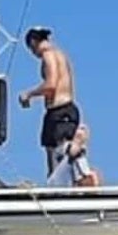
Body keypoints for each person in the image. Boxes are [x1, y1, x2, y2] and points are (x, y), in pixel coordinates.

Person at [17, 26, 80, 180]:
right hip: (67, 110)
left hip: (59, 112)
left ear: (33, 43)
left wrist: (29, 94)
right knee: (57, 154)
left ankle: (60, 185)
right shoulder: (61, 55)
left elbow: (51, 85)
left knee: (58, 159)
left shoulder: (48, 55)